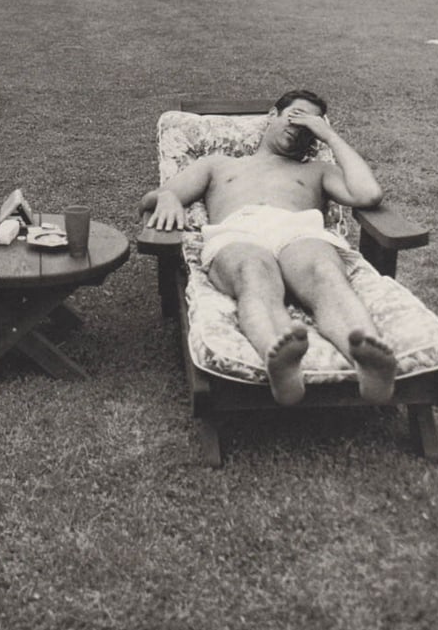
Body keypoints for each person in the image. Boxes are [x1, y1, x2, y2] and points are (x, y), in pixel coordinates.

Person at [139, 90, 397, 406]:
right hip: (238, 233)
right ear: (273, 115)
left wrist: (329, 136)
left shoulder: (316, 170)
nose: (300, 128)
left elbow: (368, 194)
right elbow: (154, 197)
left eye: (310, 126)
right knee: (253, 273)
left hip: (299, 231)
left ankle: (369, 361)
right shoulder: (218, 164)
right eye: (295, 116)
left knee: (325, 273)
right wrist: (167, 198)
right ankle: (280, 359)